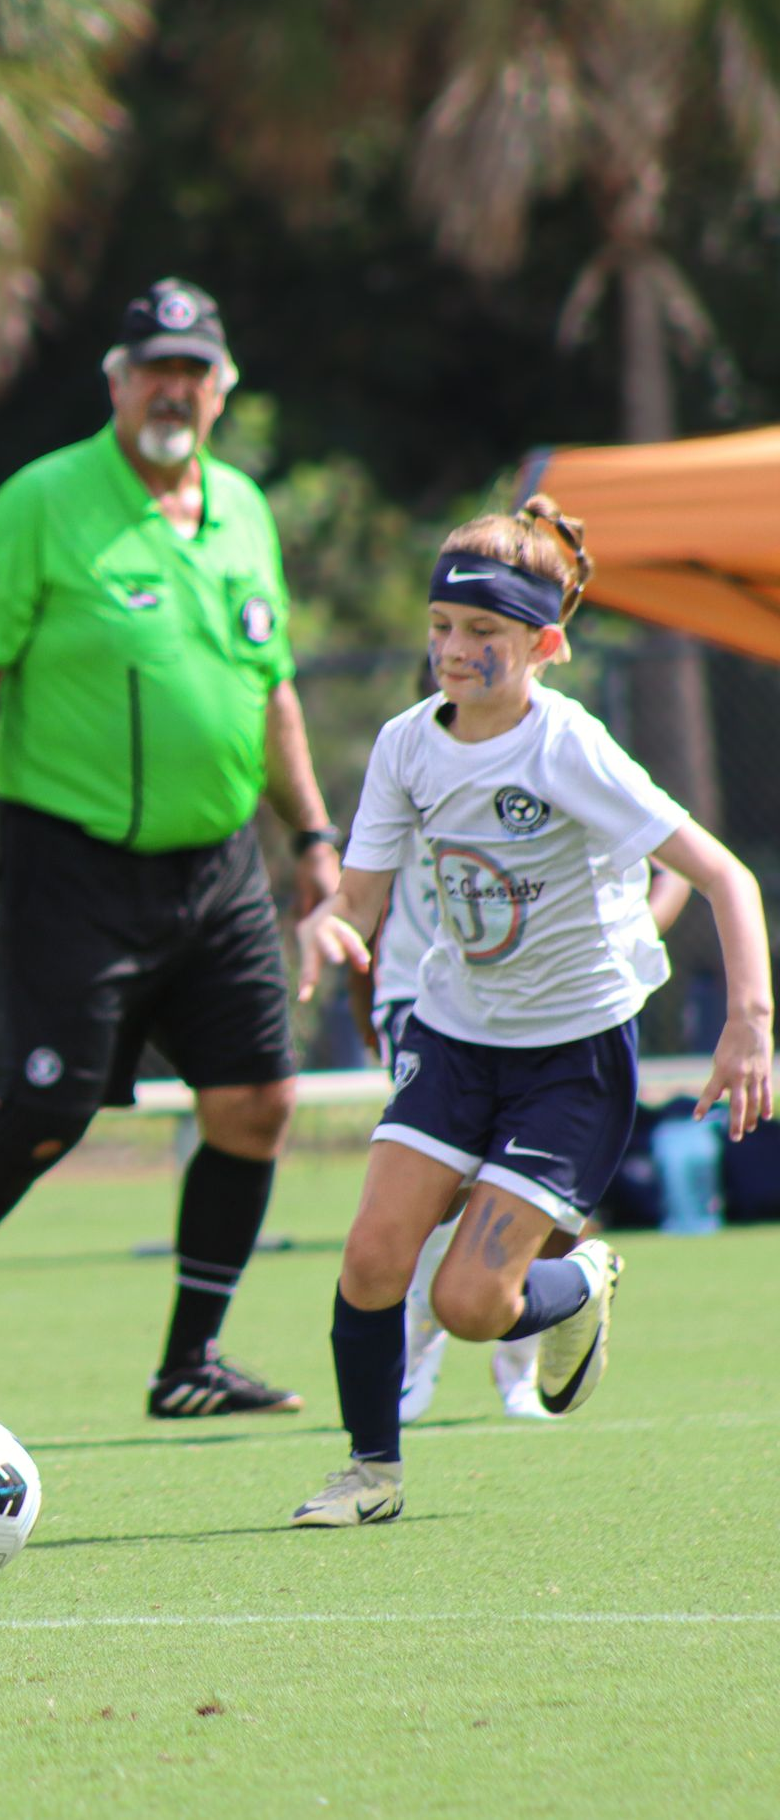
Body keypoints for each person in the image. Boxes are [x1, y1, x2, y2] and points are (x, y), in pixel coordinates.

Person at [290, 497, 771, 1527]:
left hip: (572, 1061)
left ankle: (585, 1277)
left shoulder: (569, 747)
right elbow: (361, 898)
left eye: (483, 636)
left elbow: (727, 877)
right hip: (457, 1039)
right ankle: (371, 1471)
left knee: (470, 1304)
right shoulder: (405, 745)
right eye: (440, 629)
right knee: (374, 1255)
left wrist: (750, 1023)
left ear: (544, 644)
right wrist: (328, 927)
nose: (453, 653)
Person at [0, 277, 340, 1416]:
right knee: (47, 1113)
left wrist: (312, 839)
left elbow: (275, 691)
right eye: (154, 365)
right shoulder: (43, 499)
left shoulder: (246, 508)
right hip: (74, 861)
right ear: (115, 380)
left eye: (194, 368)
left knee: (258, 1101)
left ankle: (189, 1361)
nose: (174, 387)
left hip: (221, 870)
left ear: (222, 387)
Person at [362, 841, 692, 1422]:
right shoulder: (413, 752)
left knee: (537, 1198)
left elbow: (684, 867)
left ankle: (519, 1361)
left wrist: (625, 943)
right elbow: (359, 882)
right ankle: (414, 1341)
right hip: (423, 997)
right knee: (438, 1187)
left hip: (555, 1009)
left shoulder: (572, 759)